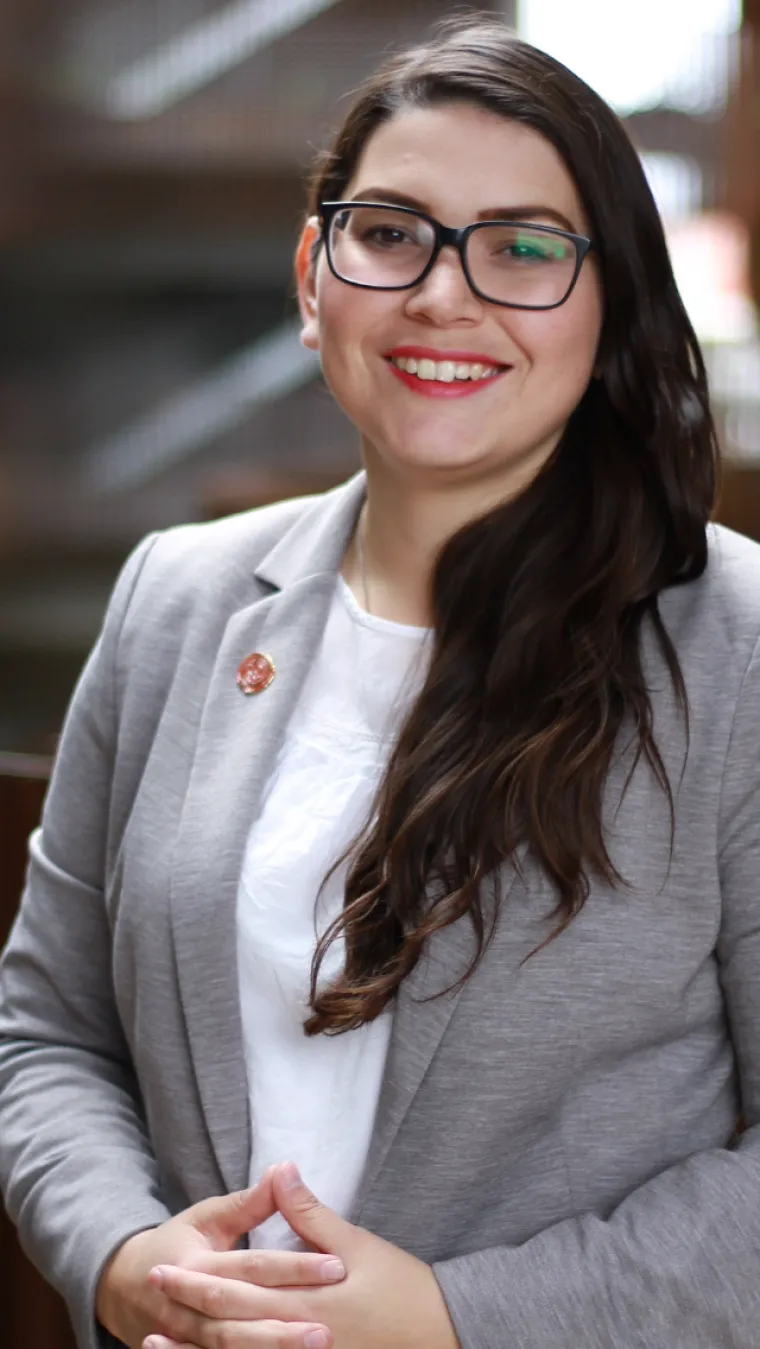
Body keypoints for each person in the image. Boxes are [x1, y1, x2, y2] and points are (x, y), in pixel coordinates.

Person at [1, 12, 759, 1349]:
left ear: (611, 303)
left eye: (524, 248)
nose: (443, 296)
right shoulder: (174, 598)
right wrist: (123, 1257)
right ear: (313, 274)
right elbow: (46, 1034)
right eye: (390, 232)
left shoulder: (738, 643)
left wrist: (458, 1318)